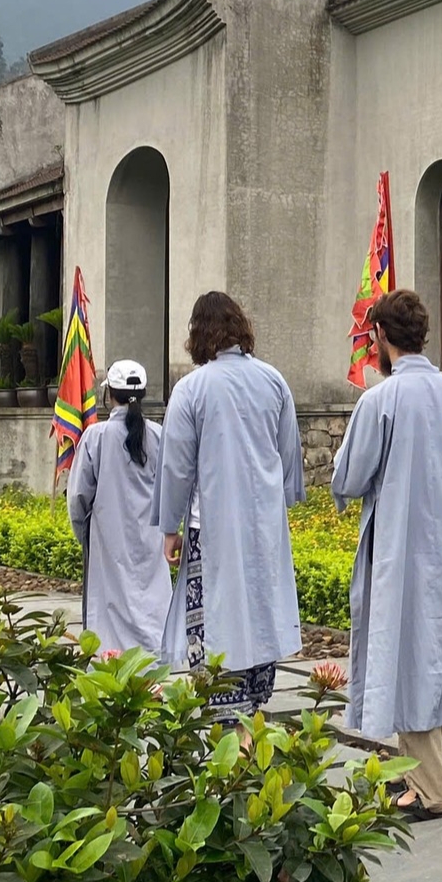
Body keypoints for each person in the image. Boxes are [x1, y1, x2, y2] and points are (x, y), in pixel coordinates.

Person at [332, 289, 442, 817]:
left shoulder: (380, 401)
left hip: (398, 550)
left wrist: (344, 488)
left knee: (406, 657)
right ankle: (419, 774)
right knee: (438, 655)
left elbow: (349, 475)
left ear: (380, 337)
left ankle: (430, 786)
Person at [155, 291, 307, 721]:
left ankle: (231, 731)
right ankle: (253, 710)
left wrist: (170, 526)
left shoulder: (192, 389)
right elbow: (287, 455)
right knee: (259, 607)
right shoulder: (274, 381)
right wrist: (280, 502)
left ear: (198, 335)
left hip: (212, 525)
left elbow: (176, 467)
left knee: (218, 618)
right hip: (262, 525)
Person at [65, 359, 171, 655]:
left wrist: (84, 534)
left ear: (108, 394)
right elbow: (172, 490)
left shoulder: (96, 438)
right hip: (151, 541)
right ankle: (153, 673)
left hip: (108, 542)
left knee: (108, 610)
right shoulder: (159, 435)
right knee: (151, 604)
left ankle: (110, 673)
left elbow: (78, 498)